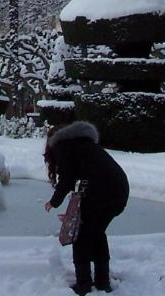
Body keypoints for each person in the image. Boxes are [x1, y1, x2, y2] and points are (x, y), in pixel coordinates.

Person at [43, 121, 129, 295]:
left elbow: (67, 180)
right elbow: (86, 182)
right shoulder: (83, 144)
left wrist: (54, 201)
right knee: (96, 232)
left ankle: (83, 284)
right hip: (119, 190)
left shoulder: (63, 146)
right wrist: (74, 213)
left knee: (81, 235)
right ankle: (102, 281)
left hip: (103, 191)